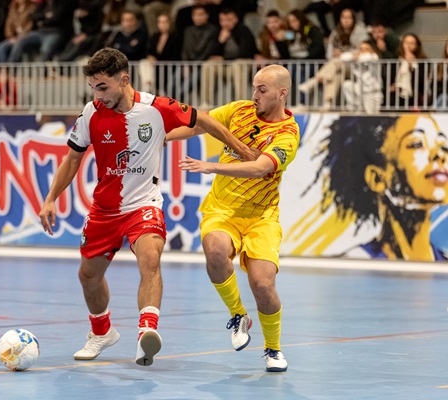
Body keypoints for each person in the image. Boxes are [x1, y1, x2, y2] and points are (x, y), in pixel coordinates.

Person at [38, 47, 255, 366]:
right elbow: (72, 158)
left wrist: (240, 149)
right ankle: (102, 333)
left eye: (102, 87)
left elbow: (205, 120)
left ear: (123, 79)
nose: (97, 94)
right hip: (104, 210)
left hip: (144, 205)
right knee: (88, 276)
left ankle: (146, 332)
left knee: (150, 259)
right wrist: (50, 199)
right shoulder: (91, 113)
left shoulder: (157, 107)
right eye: (93, 88)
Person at [168, 64, 300, 372]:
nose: (254, 95)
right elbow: (199, 125)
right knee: (214, 250)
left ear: (282, 93)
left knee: (263, 285)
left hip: (261, 218)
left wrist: (211, 166)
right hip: (222, 210)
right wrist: (163, 137)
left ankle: (273, 348)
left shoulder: (287, 134)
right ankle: (238, 314)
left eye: (262, 90)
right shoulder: (238, 111)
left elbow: (260, 168)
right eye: (253, 88)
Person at [309, 114, 447, 260]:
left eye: (443, 146)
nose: (439, 155)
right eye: (416, 144)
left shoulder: (443, 265)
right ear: (377, 178)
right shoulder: (355, 264)